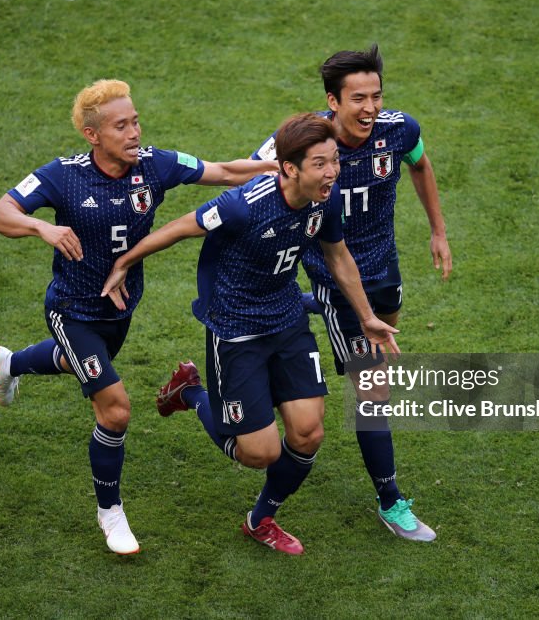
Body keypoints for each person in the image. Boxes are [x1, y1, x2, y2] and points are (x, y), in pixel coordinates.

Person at [0, 79, 278, 555]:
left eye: (135, 120)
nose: (134, 132)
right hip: (72, 309)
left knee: (76, 362)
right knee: (115, 407)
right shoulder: (63, 174)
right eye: (121, 125)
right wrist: (43, 225)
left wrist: (283, 168)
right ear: (92, 135)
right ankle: (111, 514)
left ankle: (9, 365)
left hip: (120, 308)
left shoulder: (154, 165)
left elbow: (223, 172)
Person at [100, 113, 400, 555]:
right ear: (289, 168)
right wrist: (125, 262)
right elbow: (181, 227)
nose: (332, 172)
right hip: (236, 329)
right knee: (259, 454)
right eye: (320, 163)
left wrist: (366, 316)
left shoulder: (325, 198)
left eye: (334, 161)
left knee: (308, 434)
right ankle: (191, 393)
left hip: (286, 321)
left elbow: (337, 257)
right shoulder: (244, 205)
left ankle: (261, 519)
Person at [250, 45, 451, 542]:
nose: (370, 108)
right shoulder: (303, 142)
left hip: (384, 268)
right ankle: (390, 500)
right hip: (335, 277)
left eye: (376, 95)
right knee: (373, 388)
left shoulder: (399, 129)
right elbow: (249, 175)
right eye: (357, 98)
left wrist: (437, 231)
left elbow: (420, 164)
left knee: (384, 346)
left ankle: (296, 308)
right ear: (331, 102)